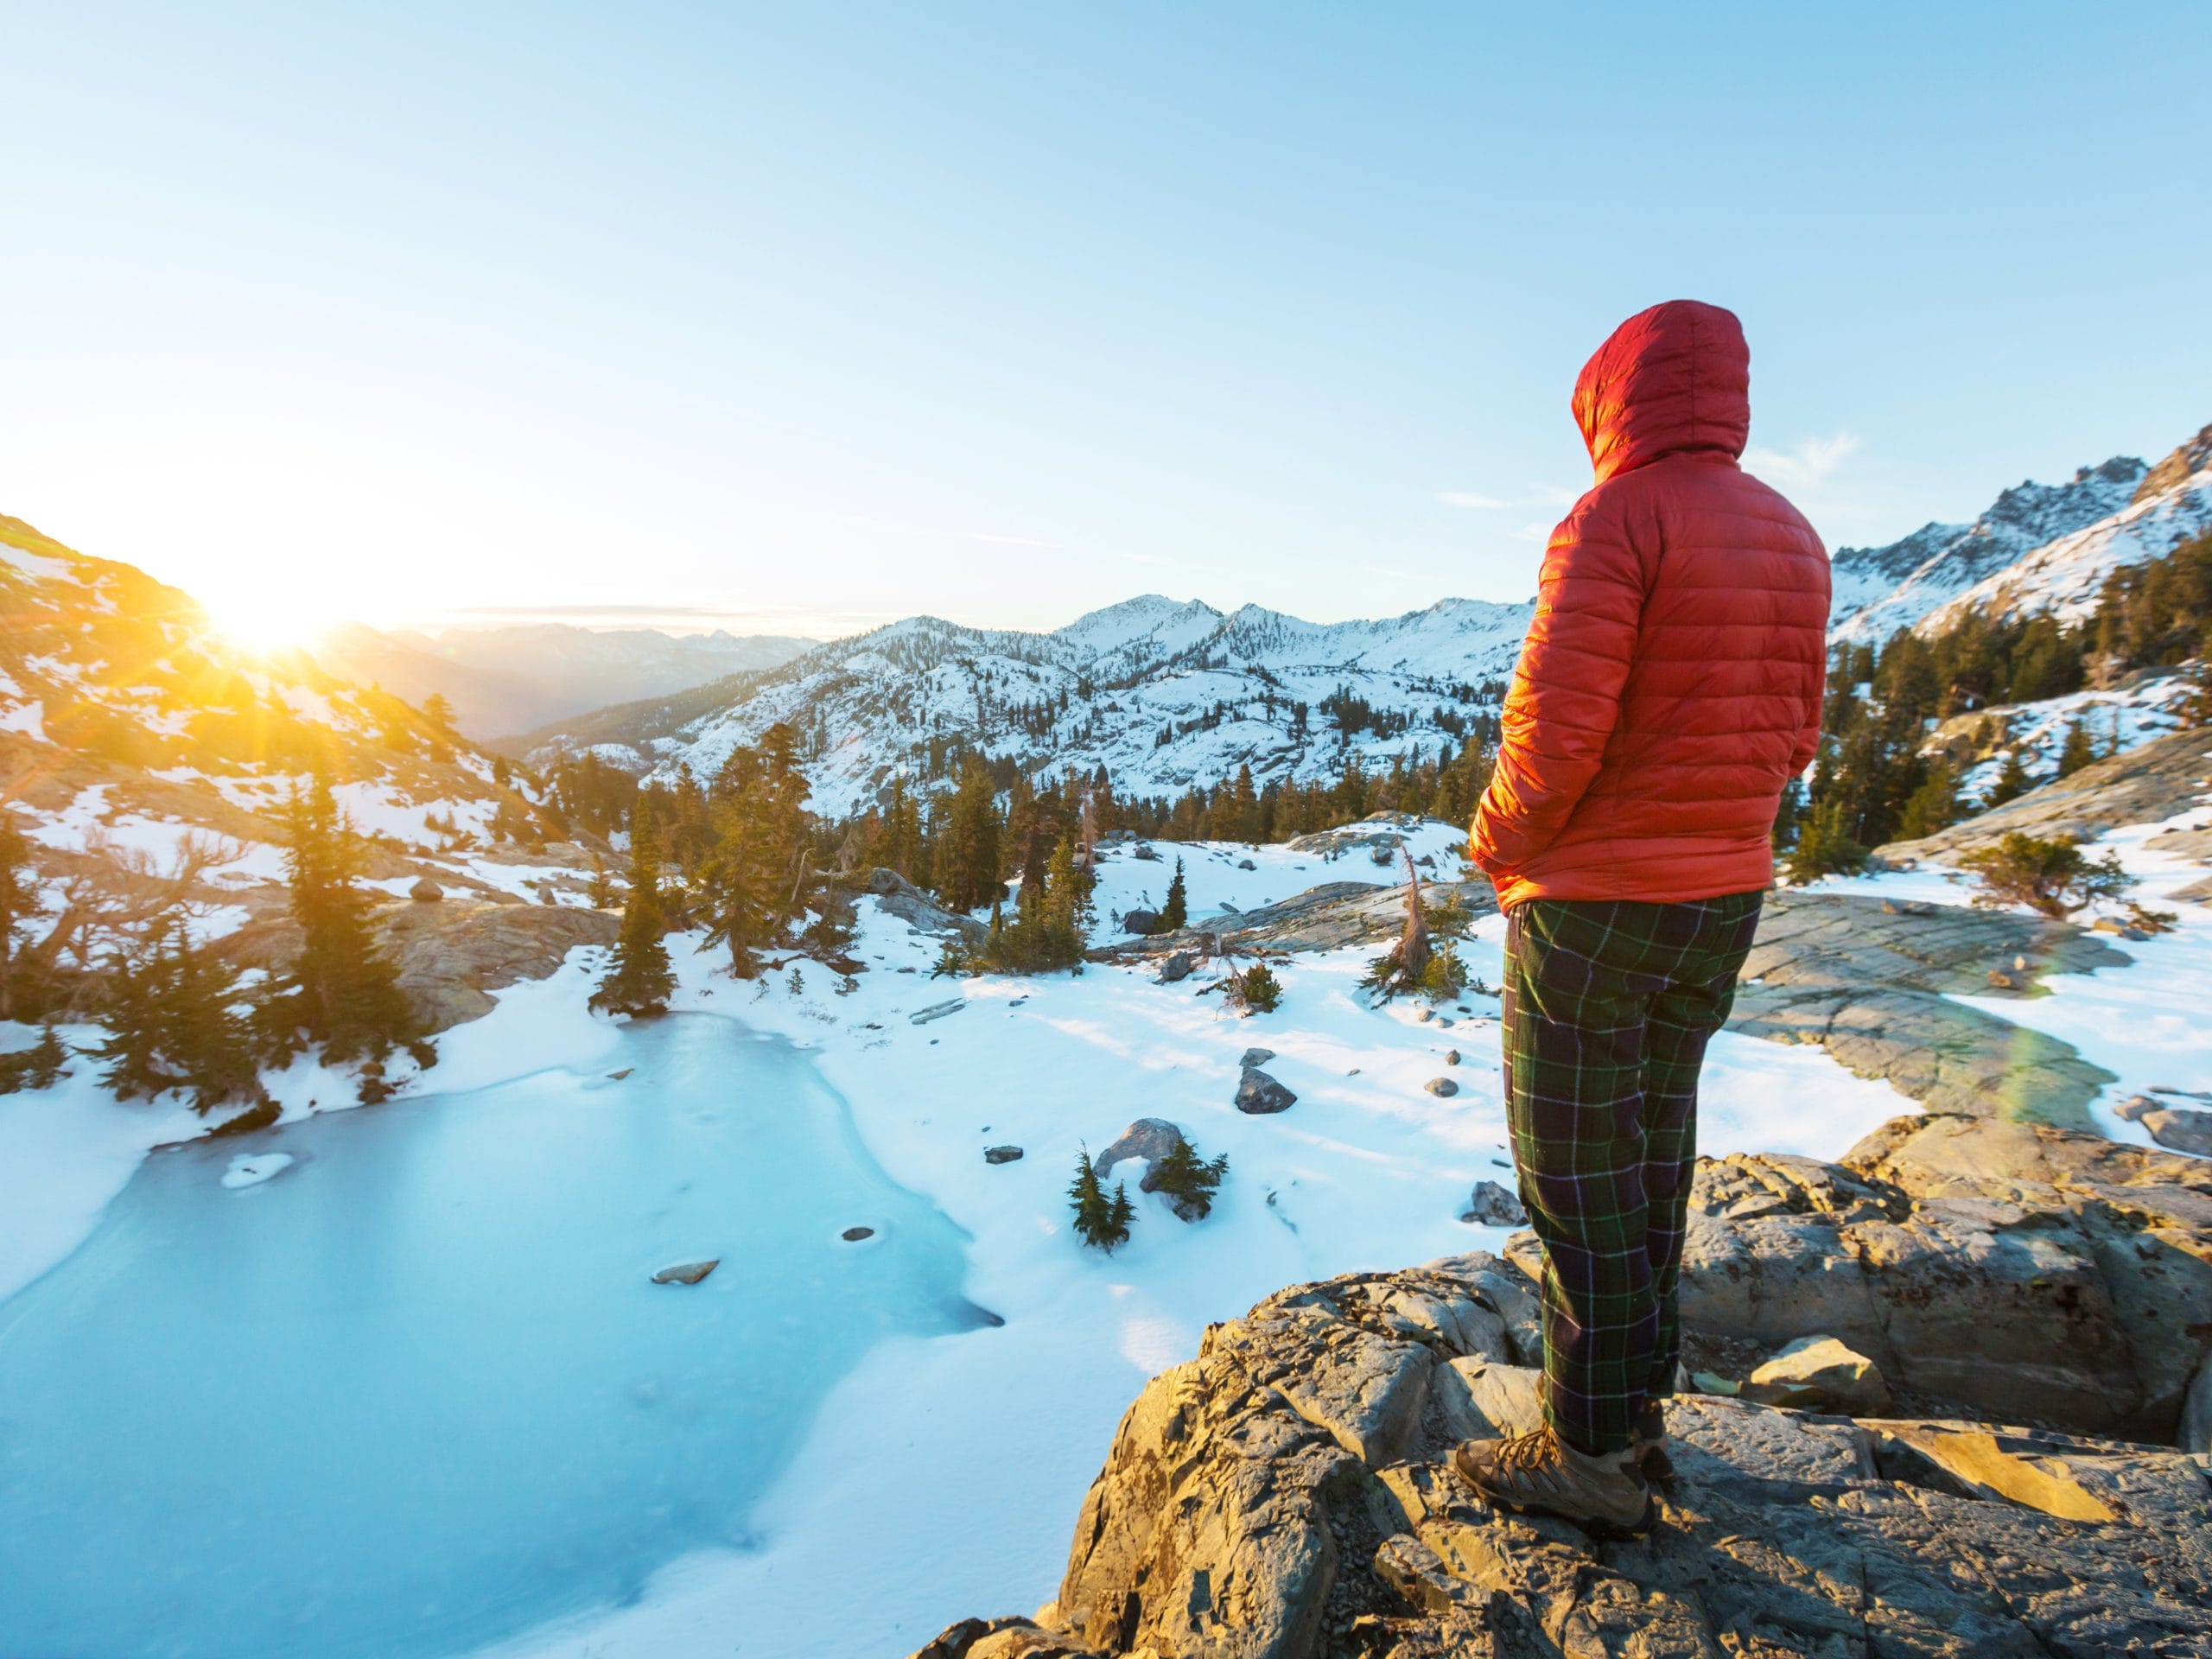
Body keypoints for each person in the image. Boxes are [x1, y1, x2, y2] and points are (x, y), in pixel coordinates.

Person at [1457, 299, 1830, 1535]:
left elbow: (1552, 730)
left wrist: (1498, 843)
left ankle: (1590, 1455)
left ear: (1614, 395)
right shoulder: (1793, 531)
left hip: (1597, 907)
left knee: (1577, 1184)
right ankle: (1638, 1420)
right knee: (1654, 1160)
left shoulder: (1616, 515)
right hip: (1720, 900)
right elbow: (1797, 736)